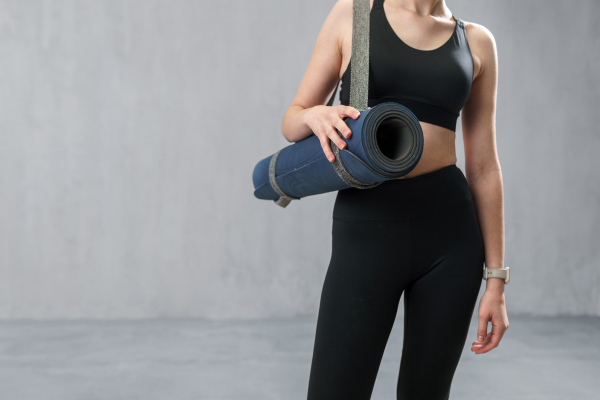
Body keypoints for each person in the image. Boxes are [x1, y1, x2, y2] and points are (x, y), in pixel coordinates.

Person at [281, 0, 509, 398]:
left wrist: (496, 281)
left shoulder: (474, 40)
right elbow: (293, 118)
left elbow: (485, 167)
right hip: (367, 228)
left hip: (451, 239)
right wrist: (313, 116)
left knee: (427, 392)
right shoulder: (354, 15)